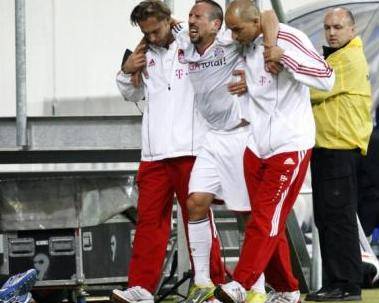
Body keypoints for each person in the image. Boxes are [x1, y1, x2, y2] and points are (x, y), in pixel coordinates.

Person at [111, 1, 243, 302]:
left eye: (156, 30)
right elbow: (131, 93)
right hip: (154, 151)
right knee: (148, 222)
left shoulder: (193, 42)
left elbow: (225, 43)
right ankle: (141, 288)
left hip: (192, 147)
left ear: (169, 20)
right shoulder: (143, 55)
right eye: (146, 32)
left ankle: (210, 286)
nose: (152, 37)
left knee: (197, 218)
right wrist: (125, 70)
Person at [213, 1, 335, 303]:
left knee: (265, 218)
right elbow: (263, 16)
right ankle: (287, 289)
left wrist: (285, 57)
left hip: (289, 144)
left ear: (254, 22)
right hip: (255, 144)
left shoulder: (290, 39)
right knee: (268, 221)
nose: (234, 36)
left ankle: (241, 282)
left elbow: (327, 77)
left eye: (238, 29)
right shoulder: (245, 37)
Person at [171, 2, 279, 303]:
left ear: (216, 25)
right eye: (191, 16)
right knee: (195, 203)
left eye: (198, 17)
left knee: (247, 216)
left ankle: (256, 288)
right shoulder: (185, 40)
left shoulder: (230, 41)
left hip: (241, 135)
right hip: (211, 137)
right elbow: (162, 21)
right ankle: (203, 282)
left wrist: (267, 52)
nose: (192, 21)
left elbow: (268, 16)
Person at [305, 7, 373, 301]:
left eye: (337, 27)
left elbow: (312, 90)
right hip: (329, 151)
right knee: (328, 220)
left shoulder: (347, 58)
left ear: (352, 30)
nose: (331, 32)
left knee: (339, 220)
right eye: (327, 27)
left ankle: (347, 284)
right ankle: (336, 282)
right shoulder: (336, 57)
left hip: (339, 151)